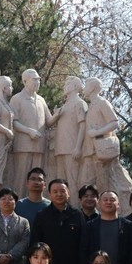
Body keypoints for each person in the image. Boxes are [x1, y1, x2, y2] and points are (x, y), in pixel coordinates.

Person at [81, 77, 132, 210]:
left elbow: (114, 123)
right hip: (92, 150)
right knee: (89, 182)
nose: (84, 88)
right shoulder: (91, 105)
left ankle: (117, 209)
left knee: (106, 183)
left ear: (92, 88)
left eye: (86, 85)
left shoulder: (102, 103)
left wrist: (97, 132)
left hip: (103, 149)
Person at [8, 69, 56, 198]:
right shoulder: (17, 99)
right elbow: (14, 122)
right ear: (25, 81)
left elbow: (49, 121)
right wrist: (29, 131)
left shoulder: (41, 100)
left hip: (40, 145)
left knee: (39, 178)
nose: (37, 82)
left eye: (39, 80)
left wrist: (59, 113)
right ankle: (18, 203)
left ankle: (38, 202)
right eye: (34, 79)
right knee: (21, 177)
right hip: (23, 145)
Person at [30, 179, 85, 264]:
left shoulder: (77, 215)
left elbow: (84, 244)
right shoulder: (42, 216)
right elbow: (35, 244)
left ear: (68, 193)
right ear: (50, 194)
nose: (59, 194)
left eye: (62, 191)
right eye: (55, 192)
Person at [80, 190, 132, 264]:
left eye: (112, 200)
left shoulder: (128, 225)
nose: (108, 202)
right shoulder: (90, 226)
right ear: (99, 203)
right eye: (105, 200)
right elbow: (83, 252)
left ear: (118, 204)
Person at [53, 76, 87, 206]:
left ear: (74, 86)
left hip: (72, 149)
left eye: (67, 84)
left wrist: (78, 147)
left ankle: (75, 210)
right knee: (60, 184)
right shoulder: (64, 106)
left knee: (73, 183)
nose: (64, 86)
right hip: (60, 149)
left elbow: (83, 126)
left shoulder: (79, 103)